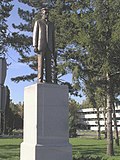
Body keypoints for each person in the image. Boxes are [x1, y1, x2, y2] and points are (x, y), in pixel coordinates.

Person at [33, 7, 56, 83]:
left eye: (48, 13)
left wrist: (53, 47)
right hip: (41, 46)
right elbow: (35, 35)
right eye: (45, 13)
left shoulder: (51, 24)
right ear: (42, 13)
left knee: (48, 64)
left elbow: (53, 37)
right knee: (41, 64)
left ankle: (49, 80)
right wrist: (35, 45)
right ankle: (40, 79)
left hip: (49, 46)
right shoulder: (38, 22)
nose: (47, 14)